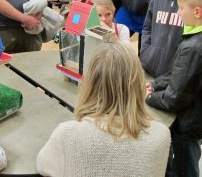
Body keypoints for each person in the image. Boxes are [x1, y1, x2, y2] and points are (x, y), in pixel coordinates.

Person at [37, 42, 170, 177]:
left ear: (90, 83)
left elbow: (43, 165)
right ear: (138, 84)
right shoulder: (161, 135)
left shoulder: (67, 134)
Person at [146, 0, 202, 177]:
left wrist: (148, 97)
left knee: (185, 168)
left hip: (190, 124)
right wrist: (154, 85)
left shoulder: (196, 48)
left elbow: (174, 98)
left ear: (197, 12)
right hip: (190, 117)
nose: (178, 13)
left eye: (181, 8)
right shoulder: (199, 36)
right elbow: (176, 72)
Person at [141, 0, 189, 78]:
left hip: (176, 73)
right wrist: (146, 52)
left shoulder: (194, 0)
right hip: (150, 66)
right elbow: (147, 28)